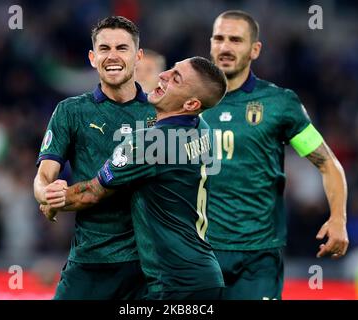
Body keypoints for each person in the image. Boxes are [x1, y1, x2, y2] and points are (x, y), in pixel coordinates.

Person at [41, 56, 228, 300]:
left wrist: (53, 199)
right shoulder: (203, 129)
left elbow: (90, 193)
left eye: (176, 78)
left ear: (192, 104)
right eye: (171, 69)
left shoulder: (148, 143)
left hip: (175, 284)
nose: (163, 76)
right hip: (203, 276)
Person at [201, 10, 349, 300]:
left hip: (258, 257)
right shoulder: (186, 101)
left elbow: (328, 164)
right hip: (198, 252)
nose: (225, 47)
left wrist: (338, 219)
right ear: (210, 44)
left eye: (236, 40)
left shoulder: (279, 103)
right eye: (219, 38)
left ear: (255, 49)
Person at [33, 16, 156, 300]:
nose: (112, 56)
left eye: (122, 48)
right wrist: (47, 193)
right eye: (104, 48)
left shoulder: (159, 114)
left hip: (146, 268)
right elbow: (43, 178)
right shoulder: (71, 111)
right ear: (92, 57)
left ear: (137, 56)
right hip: (90, 262)